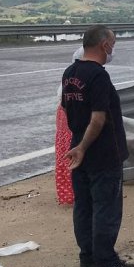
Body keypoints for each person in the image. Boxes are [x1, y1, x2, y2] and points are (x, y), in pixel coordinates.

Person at [61, 26, 134, 267]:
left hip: (78, 152)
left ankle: (88, 259)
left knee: (83, 208)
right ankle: (106, 262)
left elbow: (68, 110)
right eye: (113, 42)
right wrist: (83, 147)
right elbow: (98, 118)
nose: (113, 48)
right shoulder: (98, 75)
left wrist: (79, 146)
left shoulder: (70, 72)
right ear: (104, 45)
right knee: (106, 209)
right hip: (103, 154)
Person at [55, 46, 85, 205]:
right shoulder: (83, 77)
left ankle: (68, 194)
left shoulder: (69, 74)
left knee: (65, 153)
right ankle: (73, 194)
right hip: (71, 119)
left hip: (64, 116)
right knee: (72, 152)